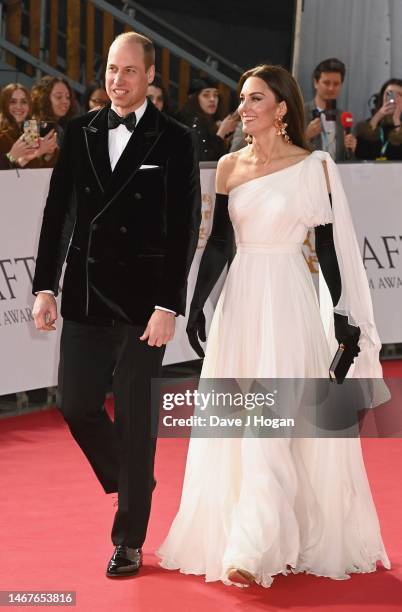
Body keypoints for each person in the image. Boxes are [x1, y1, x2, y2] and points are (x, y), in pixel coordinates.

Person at [157, 64, 390, 588]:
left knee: (275, 421)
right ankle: (250, 536)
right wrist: (198, 304)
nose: (244, 107)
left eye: (255, 98)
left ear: (281, 108)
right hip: (241, 302)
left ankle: (252, 545)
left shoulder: (315, 167)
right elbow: (219, 242)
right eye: (242, 98)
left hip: (288, 299)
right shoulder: (228, 166)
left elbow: (328, 248)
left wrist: (340, 311)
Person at [32, 32, 201, 578]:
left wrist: (168, 305)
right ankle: (134, 478)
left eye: (129, 71)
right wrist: (44, 287)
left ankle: (129, 538)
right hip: (82, 296)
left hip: (141, 308)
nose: (117, 80)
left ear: (151, 76)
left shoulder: (174, 140)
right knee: (76, 405)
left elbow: (183, 230)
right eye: (110, 69)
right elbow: (58, 216)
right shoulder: (78, 131)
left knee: (135, 425)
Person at [304, 58, 356, 161]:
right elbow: (284, 151)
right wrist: (306, 136)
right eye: (326, 83)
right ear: (316, 83)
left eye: (336, 84)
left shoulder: (344, 117)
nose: (331, 88)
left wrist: (351, 149)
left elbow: (347, 160)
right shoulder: (300, 112)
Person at [179, 76, 238, 161]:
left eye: (215, 95)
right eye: (206, 95)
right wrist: (221, 132)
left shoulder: (211, 121)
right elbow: (202, 159)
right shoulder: (194, 121)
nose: (212, 99)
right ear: (194, 98)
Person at [0, 83, 58, 168]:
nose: (18, 106)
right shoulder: (2, 136)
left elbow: (39, 171)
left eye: (24, 102)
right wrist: (11, 156)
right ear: (5, 105)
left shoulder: (32, 130)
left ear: (29, 105)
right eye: (13, 102)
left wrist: (48, 154)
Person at [355, 78, 402, 160]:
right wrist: (378, 116)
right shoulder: (367, 125)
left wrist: (397, 122)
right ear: (382, 97)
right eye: (389, 94)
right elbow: (361, 153)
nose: (393, 98)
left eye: (399, 95)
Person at [31, 76, 77, 145]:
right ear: (44, 98)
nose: (65, 101)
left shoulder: (61, 129)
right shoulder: (31, 126)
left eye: (68, 97)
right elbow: (29, 154)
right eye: (59, 97)